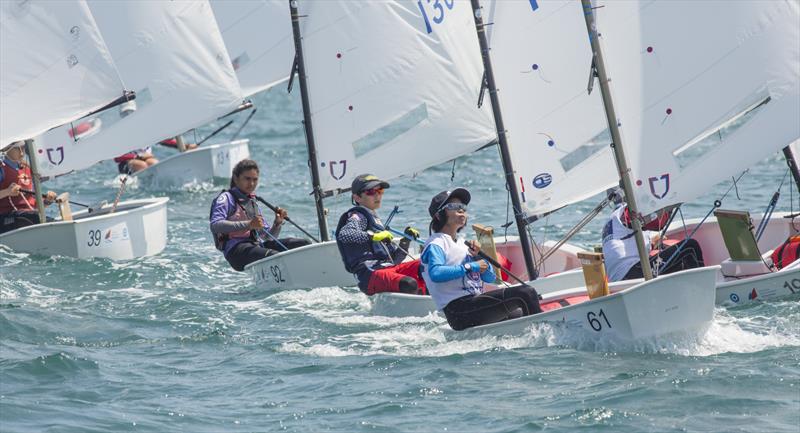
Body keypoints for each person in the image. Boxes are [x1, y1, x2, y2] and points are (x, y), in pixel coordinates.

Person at [420, 188, 542, 331]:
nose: (461, 210)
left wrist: (478, 257)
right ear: (438, 216)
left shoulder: (462, 243)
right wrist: (471, 266)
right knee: (526, 293)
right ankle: (542, 335)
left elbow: (490, 278)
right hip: (459, 311)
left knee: (521, 312)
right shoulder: (436, 243)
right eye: (453, 206)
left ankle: (535, 334)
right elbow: (436, 274)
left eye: (463, 207)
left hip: (474, 305)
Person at [209, 159, 310, 271]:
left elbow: (266, 237)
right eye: (247, 179)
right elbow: (215, 225)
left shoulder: (252, 201)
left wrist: (277, 224)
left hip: (255, 246)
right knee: (274, 256)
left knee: (304, 244)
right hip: (236, 251)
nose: (251, 184)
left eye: (255, 180)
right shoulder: (226, 198)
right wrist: (249, 224)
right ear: (236, 179)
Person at [335, 174, 426, 295]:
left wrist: (406, 240)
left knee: (427, 265)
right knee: (409, 284)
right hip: (369, 275)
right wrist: (372, 237)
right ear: (357, 197)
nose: (377, 195)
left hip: (387, 269)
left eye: (380, 190)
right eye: (371, 192)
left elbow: (395, 259)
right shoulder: (358, 216)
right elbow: (345, 234)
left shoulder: (374, 220)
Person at [602, 203, 705, 282]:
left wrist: (652, 243)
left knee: (669, 253)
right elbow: (657, 223)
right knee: (690, 247)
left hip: (618, 282)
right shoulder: (626, 213)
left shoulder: (612, 222)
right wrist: (671, 203)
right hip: (631, 275)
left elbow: (624, 248)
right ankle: (703, 290)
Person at [0, 141, 58, 234]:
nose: (21, 152)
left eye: (23, 147)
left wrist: (47, 201)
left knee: (38, 216)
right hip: (5, 218)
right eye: (17, 148)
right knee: (35, 217)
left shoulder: (28, 169)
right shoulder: (1, 168)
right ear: (6, 148)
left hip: (27, 216)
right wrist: (7, 192)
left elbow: (34, 205)